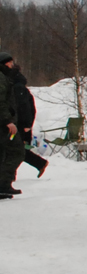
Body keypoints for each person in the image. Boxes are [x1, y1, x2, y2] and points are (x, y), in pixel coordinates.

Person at [10, 62, 48, 181]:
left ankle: (39, 163)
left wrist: (26, 125)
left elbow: (24, 108)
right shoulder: (17, 86)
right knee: (17, 150)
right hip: (19, 124)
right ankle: (40, 163)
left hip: (20, 125)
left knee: (15, 150)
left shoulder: (17, 87)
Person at [0, 52, 24, 200]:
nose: (12, 65)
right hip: (3, 124)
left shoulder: (5, 77)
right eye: (9, 62)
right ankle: (3, 185)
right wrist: (7, 120)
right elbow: (1, 102)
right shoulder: (2, 78)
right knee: (16, 151)